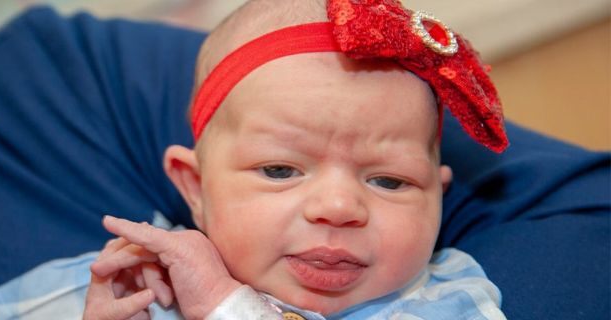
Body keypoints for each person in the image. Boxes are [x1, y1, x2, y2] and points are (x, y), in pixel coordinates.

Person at [82, 0, 509, 319]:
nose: (338, 208)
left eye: (389, 181)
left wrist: (223, 306)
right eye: (280, 170)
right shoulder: (133, 276)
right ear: (195, 186)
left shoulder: (451, 301)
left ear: (438, 194)